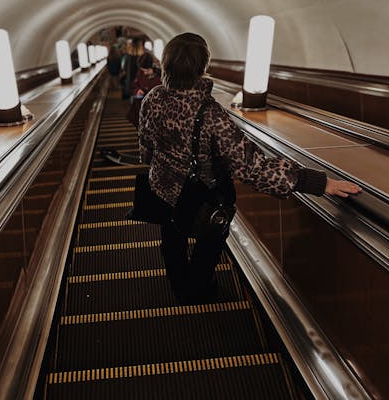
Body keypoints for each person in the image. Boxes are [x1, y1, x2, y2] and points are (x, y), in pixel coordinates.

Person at [138, 33, 362, 303]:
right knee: (209, 242)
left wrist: (155, 165)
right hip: (202, 196)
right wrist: (315, 182)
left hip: (163, 187)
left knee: (171, 240)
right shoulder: (210, 113)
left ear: (166, 64)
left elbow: (146, 142)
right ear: (202, 68)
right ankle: (196, 290)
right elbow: (250, 166)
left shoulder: (153, 97)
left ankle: (179, 286)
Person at [126, 52, 161, 128]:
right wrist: (137, 90)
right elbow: (134, 85)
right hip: (140, 106)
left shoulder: (160, 76)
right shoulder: (140, 73)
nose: (144, 73)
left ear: (153, 67)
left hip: (154, 109)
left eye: (147, 70)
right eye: (143, 70)